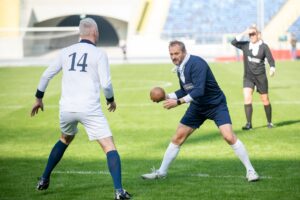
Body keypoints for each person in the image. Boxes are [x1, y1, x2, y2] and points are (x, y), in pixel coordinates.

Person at [31, 18, 131, 200]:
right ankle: (119, 191)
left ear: (80, 33)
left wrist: (39, 98)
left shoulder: (65, 52)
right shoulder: (99, 54)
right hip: (89, 108)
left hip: (67, 108)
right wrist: (111, 100)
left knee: (64, 139)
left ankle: (44, 179)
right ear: (95, 32)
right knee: (109, 146)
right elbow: (106, 84)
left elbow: (46, 75)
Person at [141, 40, 259, 182]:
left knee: (228, 136)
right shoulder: (180, 67)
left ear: (184, 52)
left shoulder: (197, 63)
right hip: (198, 106)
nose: (173, 57)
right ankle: (161, 172)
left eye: (176, 53)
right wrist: (166, 96)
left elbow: (198, 90)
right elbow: (185, 90)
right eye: (171, 54)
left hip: (216, 105)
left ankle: (251, 171)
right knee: (178, 137)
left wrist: (178, 102)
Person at [231, 25, 275, 130]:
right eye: (250, 34)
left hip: (261, 77)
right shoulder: (245, 45)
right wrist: (245, 32)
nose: (251, 36)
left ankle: (269, 122)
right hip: (248, 77)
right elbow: (233, 42)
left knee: (265, 100)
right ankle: (249, 124)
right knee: (247, 98)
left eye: (253, 34)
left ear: (258, 35)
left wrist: (272, 68)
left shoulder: (264, 46)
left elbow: (270, 59)